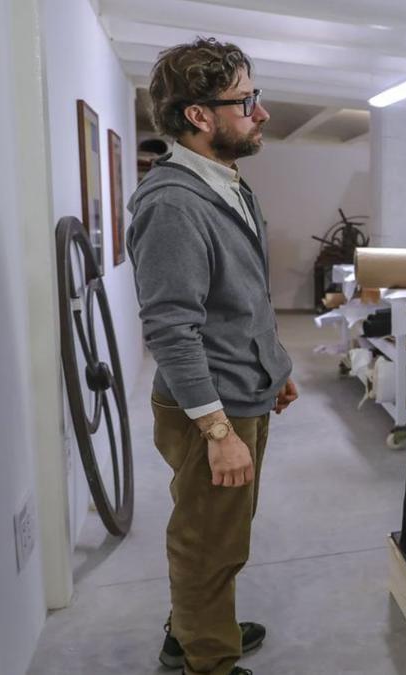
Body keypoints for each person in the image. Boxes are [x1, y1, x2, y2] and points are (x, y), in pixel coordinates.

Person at [127, 37, 298, 675]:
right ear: (199, 116)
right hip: (211, 408)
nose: (262, 113)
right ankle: (209, 662)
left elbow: (243, 293)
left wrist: (274, 366)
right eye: (247, 100)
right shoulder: (172, 203)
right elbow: (171, 328)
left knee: (224, 531)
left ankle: (190, 630)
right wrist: (219, 429)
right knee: (208, 543)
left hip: (241, 389)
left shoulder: (225, 181)